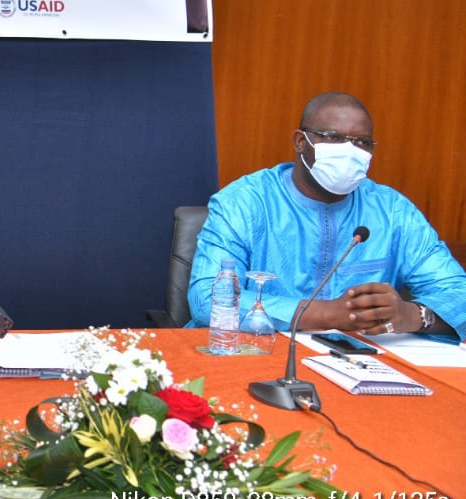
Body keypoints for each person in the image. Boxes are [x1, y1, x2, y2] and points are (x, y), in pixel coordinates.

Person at [188, 91, 465, 339]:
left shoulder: (392, 212)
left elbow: (457, 292)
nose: (350, 151)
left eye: (362, 142)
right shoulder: (245, 202)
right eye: (334, 137)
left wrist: (413, 315)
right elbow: (206, 299)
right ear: (301, 141)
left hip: (359, 362)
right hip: (252, 352)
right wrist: (327, 314)